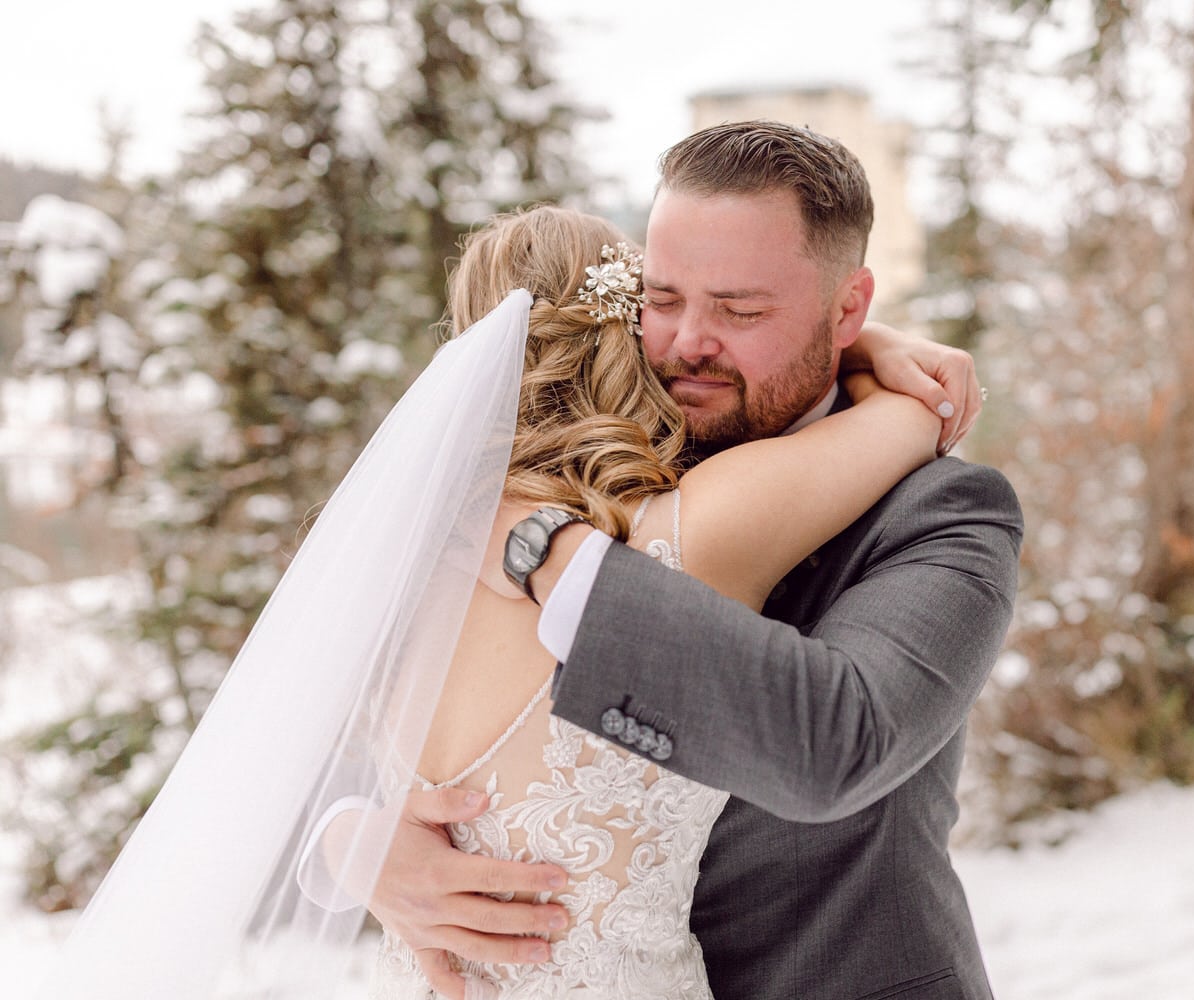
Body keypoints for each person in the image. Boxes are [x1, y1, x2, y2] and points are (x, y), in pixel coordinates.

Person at [372, 121, 1023, 1000]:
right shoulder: (609, 460)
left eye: (741, 310)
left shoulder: (943, 512)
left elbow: (837, 746)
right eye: (663, 297)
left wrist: (542, 551)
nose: (686, 345)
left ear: (846, 307)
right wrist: (361, 844)